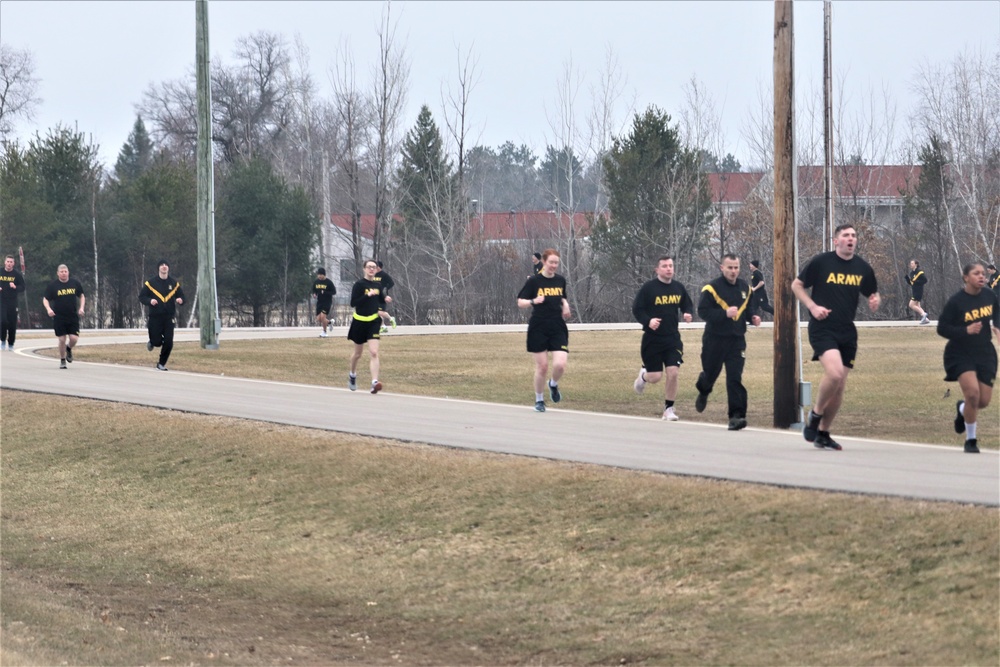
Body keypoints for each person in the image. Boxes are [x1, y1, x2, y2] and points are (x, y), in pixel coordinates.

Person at [792, 223, 880, 451]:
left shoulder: (862, 268)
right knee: (834, 373)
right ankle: (815, 414)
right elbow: (797, 285)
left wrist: (874, 300)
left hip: (847, 331)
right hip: (823, 327)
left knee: (839, 386)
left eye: (853, 236)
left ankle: (823, 433)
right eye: (846, 235)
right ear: (836, 240)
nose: (851, 239)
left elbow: (872, 292)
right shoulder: (822, 262)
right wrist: (812, 306)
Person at [936, 262, 1000, 454]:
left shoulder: (990, 295)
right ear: (966, 277)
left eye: (983, 274)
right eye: (976, 273)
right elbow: (942, 328)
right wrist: (966, 330)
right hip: (960, 353)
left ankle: (963, 409)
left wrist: (997, 327)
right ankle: (970, 440)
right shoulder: (956, 302)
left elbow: (997, 312)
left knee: (982, 401)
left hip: (984, 353)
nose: (982, 277)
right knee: (972, 393)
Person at [694, 254, 760, 431]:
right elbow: (703, 312)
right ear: (722, 268)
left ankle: (736, 416)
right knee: (710, 374)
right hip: (714, 340)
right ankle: (703, 389)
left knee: (734, 378)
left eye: (736, 267)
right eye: (730, 267)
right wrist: (724, 314)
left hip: (736, 341)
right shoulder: (711, 288)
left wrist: (753, 317)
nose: (733, 271)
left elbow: (748, 309)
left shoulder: (745, 288)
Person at [632, 256, 694, 421]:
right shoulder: (649, 288)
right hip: (652, 340)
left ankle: (668, 409)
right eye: (665, 266)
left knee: (673, 372)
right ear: (657, 269)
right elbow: (637, 309)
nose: (668, 269)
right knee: (655, 377)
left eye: (671, 266)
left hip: (672, 339)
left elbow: (687, 304)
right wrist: (648, 321)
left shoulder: (678, 287)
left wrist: (688, 313)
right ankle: (643, 376)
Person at [517, 248, 571, 412]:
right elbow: (520, 302)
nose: (554, 266)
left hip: (557, 326)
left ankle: (553, 384)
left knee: (560, 365)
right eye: (551, 262)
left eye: (556, 263)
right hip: (538, 327)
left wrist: (566, 304)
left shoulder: (560, 280)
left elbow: (561, 296)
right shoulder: (534, 281)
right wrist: (533, 301)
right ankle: (539, 400)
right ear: (544, 262)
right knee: (542, 367)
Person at [139, 259, 185, 371]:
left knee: (169, 342)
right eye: (162, 265)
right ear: (158, 268)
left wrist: (180, 300)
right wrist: (150, 301)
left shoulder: (174, 284)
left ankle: (161, 363)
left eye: (166, 265)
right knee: (157, 342)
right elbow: (142, 297)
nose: (164, 267)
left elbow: (182, 297)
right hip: (155, 317)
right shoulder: (151, 283)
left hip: (169, 317)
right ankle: (152, 342)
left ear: (168, 268)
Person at [347, 259, 385, 394]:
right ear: (364, 269)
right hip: (359, 321)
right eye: (369, 267)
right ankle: (352, 374)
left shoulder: (378, 285)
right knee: (357, 354)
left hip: (373, 321)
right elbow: (353, 303)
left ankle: (374, 382)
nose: (371, 269)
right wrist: (366, 295)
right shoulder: (359, 284)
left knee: (374, 352)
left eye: (374, 267)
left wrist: (384, 302)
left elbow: (380, 301)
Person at [42, 264, 86, 369]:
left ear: (68, 272)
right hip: (59, 316)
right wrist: (49, 309)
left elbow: (82, 295)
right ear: (58, 273)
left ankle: (69, 348)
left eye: (65, 272)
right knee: (61, 339)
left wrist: (81, 308)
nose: (64, 273)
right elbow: (45, 299)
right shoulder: (53, 286)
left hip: (72, 316)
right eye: (61, 272)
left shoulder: (74, 283)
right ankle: (62, 360)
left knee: (74, 338)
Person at [0, 254, 25, 351]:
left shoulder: (17, 275)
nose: (9, 264)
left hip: (13, 302)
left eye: (11, 262)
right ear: (4, 262)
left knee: (12, 323)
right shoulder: (0, 272)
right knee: (3, 321)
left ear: (13, 263)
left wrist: (15, 287)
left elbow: (23, 287)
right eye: (8, 261)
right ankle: (2, 340)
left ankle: (11, 343)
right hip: (2, 301)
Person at [311, 268, 336, 337]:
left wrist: (325, 292)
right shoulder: (316, 282)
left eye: (321, 275)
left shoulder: (329, 282)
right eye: (318, 275)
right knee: (319, 318)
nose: (319, 276)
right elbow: (314, 290)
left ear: (324, 275)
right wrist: (314, 294)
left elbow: (334, 292)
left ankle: (324, 332)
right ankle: (330, 322)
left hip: (327, 302)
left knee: (322, 317)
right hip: (320, 302)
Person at [374, 260, 397, 333]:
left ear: (379, 267)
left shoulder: (384, 275)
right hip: (374, 296)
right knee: (375, 312)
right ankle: (383, 326)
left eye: (375, 267)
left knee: (380, 312)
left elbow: (391, 283)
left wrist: (385, 288)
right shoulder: (373, 275)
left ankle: (391, 319)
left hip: (382, 296)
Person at [906, 259, 930, 324]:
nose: (911, 265)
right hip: (914, 290)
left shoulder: (919, 272)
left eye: (912, 263)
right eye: (910, 263)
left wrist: (917, 282)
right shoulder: (911, 273)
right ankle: (926, 319)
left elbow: (925, 280)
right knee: (917, 305)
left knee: (911, 305)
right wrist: (907, 280)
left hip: (918, 290)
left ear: (916, 264)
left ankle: (924, 314)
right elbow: (912, 283)